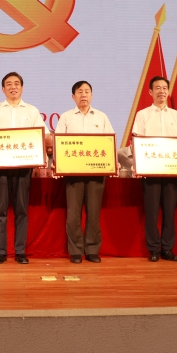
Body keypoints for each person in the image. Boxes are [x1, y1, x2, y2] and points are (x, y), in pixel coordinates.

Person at [0, 72, 47, 264]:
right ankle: (1, 252)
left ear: (22, 88)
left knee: (21, 211)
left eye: (17, 83)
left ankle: (20, 251)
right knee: (0, 211)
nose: (13, 87)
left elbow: (43, 136)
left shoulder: (32, 111)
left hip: (23, 168)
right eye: (8, 84)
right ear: (3, 89)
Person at [55, 80, 115, 263]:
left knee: (93, 213)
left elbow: (110, 143)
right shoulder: (66, 117)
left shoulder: (101, 117)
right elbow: (58, 143)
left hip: (96, 172)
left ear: (92, 95)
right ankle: (75, 250)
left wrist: (113, 163)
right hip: (73, 172)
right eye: (79, 92)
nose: (83, 95)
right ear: (73, 96)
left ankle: (92, 249)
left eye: (87, 91)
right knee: (73, 214)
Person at [132, 76, 177, 262]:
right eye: (157, 88)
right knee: (151, 212)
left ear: (168, 91)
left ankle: (167, 248)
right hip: (150, 170)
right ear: (150, 92)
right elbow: (136, 142)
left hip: (172, 170)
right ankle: (153, 249)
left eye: (165, 88)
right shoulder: (142, 115)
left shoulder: (176, 115)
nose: (161, 91)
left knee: (169, 211)